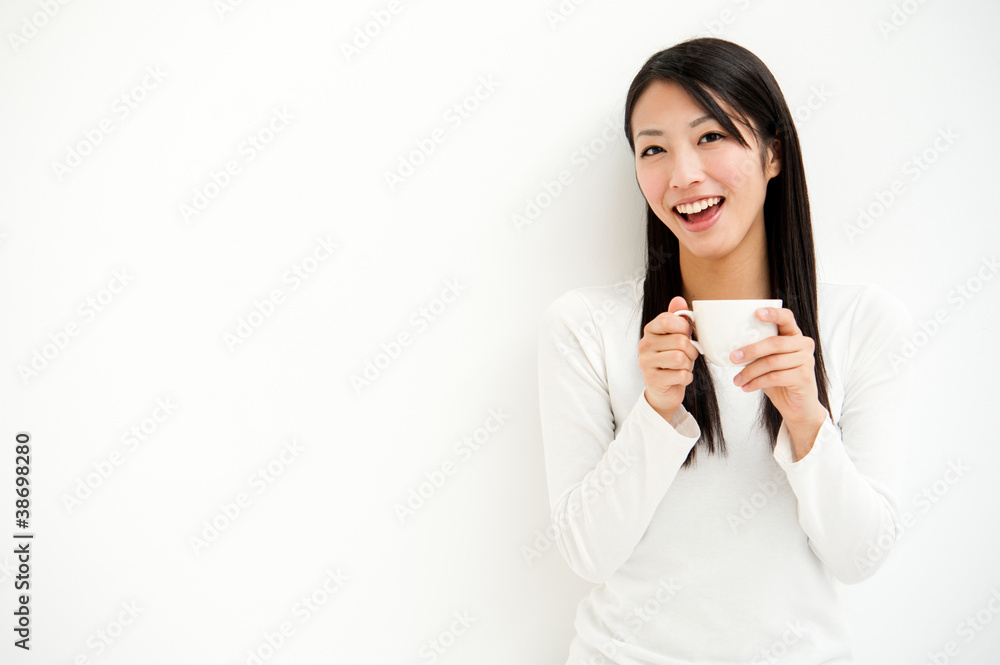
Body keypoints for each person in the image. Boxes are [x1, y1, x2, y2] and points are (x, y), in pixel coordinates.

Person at [537, 37, 914, 664]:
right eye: (653, 148)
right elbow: (587, 554)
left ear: (771, 152)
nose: (683, 174)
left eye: (710, 136)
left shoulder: (862, 322)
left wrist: (805, 417)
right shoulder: (585, 327)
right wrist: (656, 412)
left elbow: (861, 557)